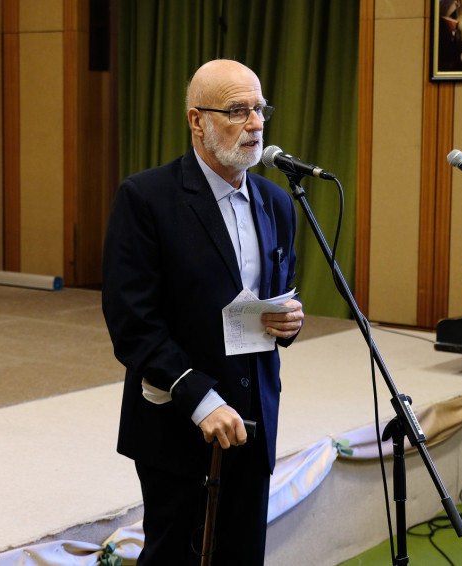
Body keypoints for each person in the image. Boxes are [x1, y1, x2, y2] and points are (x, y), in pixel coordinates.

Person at [101, 59, 304, 566]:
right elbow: (133, 324)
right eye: (237, 111)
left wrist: (287, 323)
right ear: (197, 120)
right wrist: (201, 400)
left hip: (254, 418)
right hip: (178, 418)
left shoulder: (277, 203)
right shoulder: (146, 198)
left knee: (242, 555)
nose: (255, 124)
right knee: (175, 556)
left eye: (259, 109)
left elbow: (270, 301)